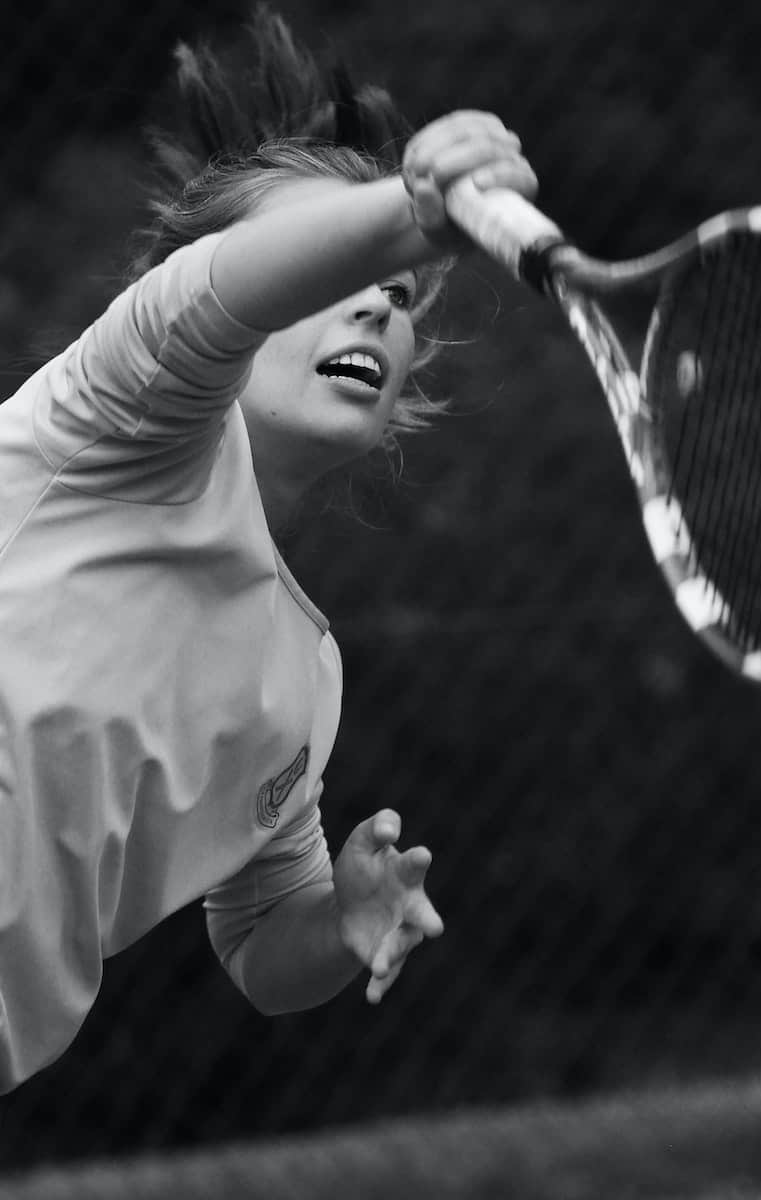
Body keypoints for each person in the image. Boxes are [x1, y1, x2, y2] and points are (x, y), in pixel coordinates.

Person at [0, 4, 538, 1092]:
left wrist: (337, 926)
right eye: (333, 271)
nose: (381, 304)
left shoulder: (301, 676)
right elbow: (212, 299)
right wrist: (412, 213)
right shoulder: (112, 421)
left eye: (395, 298)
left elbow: (257, 943)